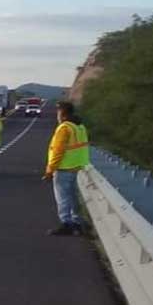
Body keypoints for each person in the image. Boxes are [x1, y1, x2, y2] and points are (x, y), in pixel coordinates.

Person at [43, 101, 90, 235]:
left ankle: (66, 223)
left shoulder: (64, 128)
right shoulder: (80, 126)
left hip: (64, 167)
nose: (57, 115)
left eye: (58, 112)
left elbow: (58, 151)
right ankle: (77, 222)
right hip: (76, 167)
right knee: (73, 197)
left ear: (62, 113)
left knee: (63, 197)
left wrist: (49, 170)